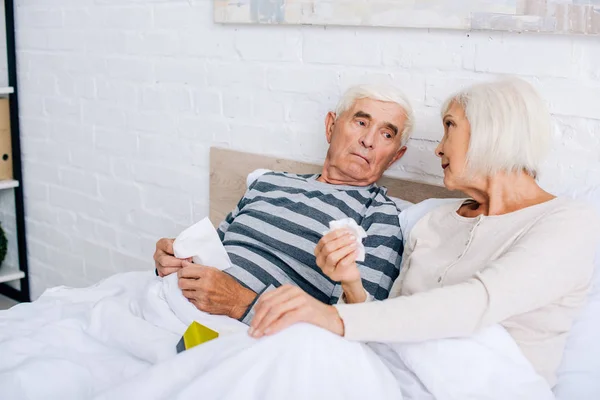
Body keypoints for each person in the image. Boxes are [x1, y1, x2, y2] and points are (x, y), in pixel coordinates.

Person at [248, 77, 600, 387]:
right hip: (393, 376)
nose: (438, 147)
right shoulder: (435, 221)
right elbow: (390, 325)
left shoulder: (570, 222)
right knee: (289, 349)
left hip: (486, 387)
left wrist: (331, 316)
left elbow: (477, 303)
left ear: (490, 131)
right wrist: (351, 283)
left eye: (450, 127)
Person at [154, 84, 415, 324]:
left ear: (396, 155)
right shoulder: (268, 182)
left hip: (252, 335)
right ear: (331, 126)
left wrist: (240, 303)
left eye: (386, 134)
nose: (368, 140)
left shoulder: (380, 218)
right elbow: (213, 253)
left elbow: (361, 327)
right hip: (173, 302)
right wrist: (175, 260)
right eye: (360, 122)